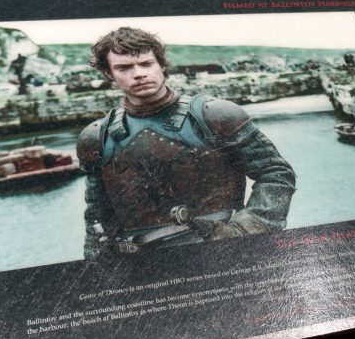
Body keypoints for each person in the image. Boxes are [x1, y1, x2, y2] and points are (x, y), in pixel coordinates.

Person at [76, 27, 296, 258]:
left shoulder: (214, 115)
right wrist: (98, 265)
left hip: (222, 249)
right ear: (109, 73)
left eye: (146, 64)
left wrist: (246, 228)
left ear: (161, 65)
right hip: (143, 263)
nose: (138, 73)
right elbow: (97, 215)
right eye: (124, 67)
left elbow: (276, 173)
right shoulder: (96, 137)